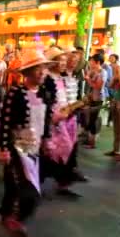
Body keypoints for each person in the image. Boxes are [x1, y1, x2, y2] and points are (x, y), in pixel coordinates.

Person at [0, 52, 49, 237]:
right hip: (17, 149)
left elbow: (47, 119)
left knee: (17, 186)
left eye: (44, 69)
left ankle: (7, 213)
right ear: (27, 73)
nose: (42, 73)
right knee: (24, 189)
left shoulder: (45, 93)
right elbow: (6, 122)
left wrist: (47, 140)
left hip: (36, 149)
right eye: (38, 69)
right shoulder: (15, 93)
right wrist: (4, 148)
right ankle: (16, 218)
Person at [40, 47, 86, 197]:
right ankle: (35, 184)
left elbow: (65, 100)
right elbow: (45, 103)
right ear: (52, 62)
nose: (64, 63)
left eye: (65, 61)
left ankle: (62, 183)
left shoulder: (61, 78)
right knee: (51, 153)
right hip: (52, 123)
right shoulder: (47, 79)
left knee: (64, 151)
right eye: (61, 60)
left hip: (63, 120)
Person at [83, 54, 107, 148]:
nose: (90, 63)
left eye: (92, 61)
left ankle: (92, 143)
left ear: (97, 62)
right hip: (91, 97)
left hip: (98, 98)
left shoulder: (103, 72)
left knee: (93, 119)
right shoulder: (92, 71)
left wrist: (88, 80)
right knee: (89, 118)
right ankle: (89, 139)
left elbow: (98, 86)